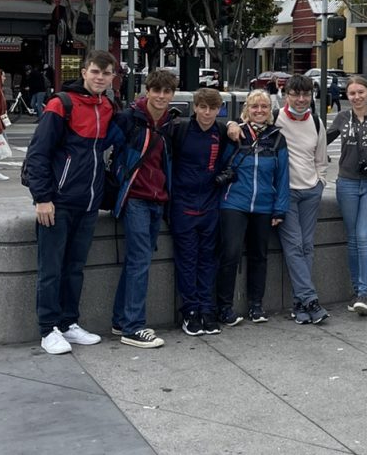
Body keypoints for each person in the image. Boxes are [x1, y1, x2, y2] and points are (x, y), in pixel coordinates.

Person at [24, 50, 119, 355]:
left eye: (106, 73)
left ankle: (68, 323)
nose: (100, 77)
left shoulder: (107, 106)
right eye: (95, 72)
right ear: (83, 72)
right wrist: (42, 198)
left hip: (88, 203)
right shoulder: (60, 104)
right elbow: (38, 154)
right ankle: (48, 329)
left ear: (112, 77)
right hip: (58, 202)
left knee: (75, 268)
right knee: (51, 268)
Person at [108, 68, 176, 349]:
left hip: (157, 198)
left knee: (138, 261)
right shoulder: (129, 119)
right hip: (135, 197)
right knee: (139, 261)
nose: (161, 96)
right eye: (156, 90)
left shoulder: (169, 122)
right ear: (147, 91)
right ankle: (134, 327)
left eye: (166, 91)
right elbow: (103, 145)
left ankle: (120, 320)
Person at [162, 87, 234, 336]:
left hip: (210, 204)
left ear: (219, 110)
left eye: (212, 108)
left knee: (207, 260)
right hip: (183, 204)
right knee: (187, 260)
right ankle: (190, 311)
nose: (207, 112)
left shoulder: (221, 131)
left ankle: (206, 308)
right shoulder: (179, 130)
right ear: (195, 107)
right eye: (202, 107)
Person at [216, 90, 290, 326]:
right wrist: (231, 123)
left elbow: (283, 176)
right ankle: (224, 307)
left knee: (259, 256)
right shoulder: (235, 133)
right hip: (234, 202)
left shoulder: (277, 137)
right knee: (230, 254)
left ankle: (256, 306)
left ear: (270, 110)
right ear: (247, 108)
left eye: (264, 107)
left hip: (264, 205)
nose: (259, 110)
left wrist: (280, 209)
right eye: (255, 106)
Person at [274, 74, 329, 325]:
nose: (300, 99)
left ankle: (300, 305)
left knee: (307, 246)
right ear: (287, 95)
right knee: (295, 246)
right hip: (286, 193)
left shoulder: (316, 123)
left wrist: (320, 183)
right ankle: (310, 299)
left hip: (310, 191)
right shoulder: (276, 119)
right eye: (295, 94)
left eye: (305, 94)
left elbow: (321, 160)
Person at [328, 75, 367, 315]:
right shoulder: (341, 117)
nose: (357, 97)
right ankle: (355, 292)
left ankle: (364, 293)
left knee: (363, 236)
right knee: (352, 238)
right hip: (347, 183)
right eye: (352, 93)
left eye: (361, 92)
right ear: (347, 96)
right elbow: (319, 142)